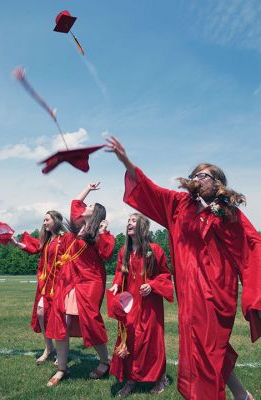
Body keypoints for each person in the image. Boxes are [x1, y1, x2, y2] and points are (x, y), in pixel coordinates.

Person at [106, 137, 261, 400]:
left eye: (204, 175)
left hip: (215, 293)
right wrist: (126, 162)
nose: (197, 178)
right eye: (195, 174)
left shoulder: (227, 213)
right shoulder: (179, 205)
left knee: (208, 349)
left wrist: (254, 294)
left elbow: (252, 246)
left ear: (217, 182)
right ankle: (241, 395)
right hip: (190, 295)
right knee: (205, 349)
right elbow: (150, 190)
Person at [45, 183, 115, 387]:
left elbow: (107, 254)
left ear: (96, 214)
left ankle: (105, 361)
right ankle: (62, 369)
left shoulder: (98, 231)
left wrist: (102, 232)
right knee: (62, 322)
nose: (85, 205)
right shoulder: (78, 226)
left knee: (90, 321)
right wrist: (88, 189)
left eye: (90, 204)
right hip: (71, 280)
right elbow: (75, 203)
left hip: (91, 281)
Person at [109, 213, 173, 397]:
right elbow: (120, 272)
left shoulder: (154, 249)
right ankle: (130, 380)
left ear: (142, 226)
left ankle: (160, 378)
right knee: (129, 338)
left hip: (150, 302)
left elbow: (165, 275)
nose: (129, 223)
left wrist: (152, 285)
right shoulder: (124, 252)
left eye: (134, 221)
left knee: (151, 340)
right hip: (130, 302)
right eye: (128, 220)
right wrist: (115, 284)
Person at [11, 210, 68, 365]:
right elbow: (34, 247)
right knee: (41, 313)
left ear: (56, 220)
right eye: (43, 220)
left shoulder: (65, 239)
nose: (44, 223)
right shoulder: (47, 240)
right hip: (45, 284)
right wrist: (16, 243)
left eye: (47, 219)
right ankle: (49, 348)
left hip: (60, 284)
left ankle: (61, 353)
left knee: (58, 318)